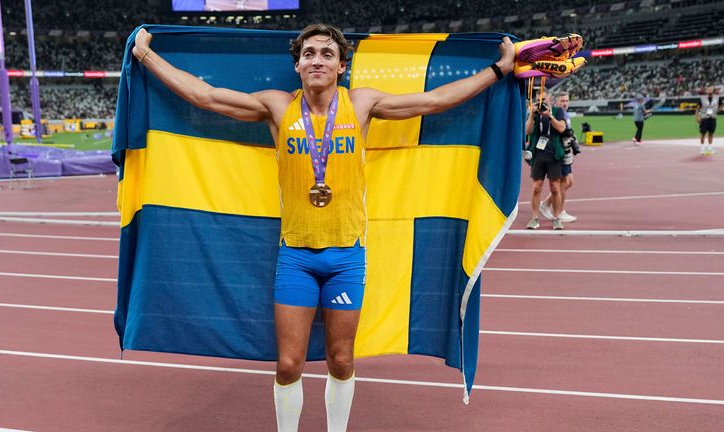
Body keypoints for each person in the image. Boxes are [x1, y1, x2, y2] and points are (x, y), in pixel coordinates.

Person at [131, 24, 515, 432]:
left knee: (342, 359)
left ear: (341, 67)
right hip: (296, 256)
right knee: (289, 363)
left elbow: (435, 100)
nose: (318, 60)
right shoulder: (278, 106)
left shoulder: (362, 104)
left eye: (327, 54)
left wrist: (498, 70)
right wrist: (145, 56)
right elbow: (205, 96)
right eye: (310, 53)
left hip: (347, 256)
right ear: (297, 65)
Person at [525, 91, 567, 230]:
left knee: (555, 187)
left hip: (554, 153)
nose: (541, 102)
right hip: (538, 154)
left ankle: (556, 218)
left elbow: (561, 128)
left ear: (549, 99)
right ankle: (534, 218)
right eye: (538, 100)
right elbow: (526, 131)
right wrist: (532, 114)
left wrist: (550, 116)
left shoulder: (558, 111)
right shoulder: (534, 114)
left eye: (543, 99)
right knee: (537, 187)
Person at [539, 92, 577, 223]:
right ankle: (559, 211)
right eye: (562, 101)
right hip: (558, 151)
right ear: (556, 102)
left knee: (568, 182)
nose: (565, 103)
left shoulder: (565, 114)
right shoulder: (557, 113)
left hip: (565, 151)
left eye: (567, 100)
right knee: (564, 182)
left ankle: (546, 204)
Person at [696, 86, 719, 156]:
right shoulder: (702, 98)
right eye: (708, 89)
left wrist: (717, 110)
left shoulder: (717, 98)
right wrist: (697, 117)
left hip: (713, 118)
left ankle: (710, 148)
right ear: (706, 90)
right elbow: (697, 109)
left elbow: (721, 105)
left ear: (713, 90)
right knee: (703, 133)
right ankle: (702, 149)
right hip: (704, 118)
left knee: (711, 133)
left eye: (711, 89)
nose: (710, 90)